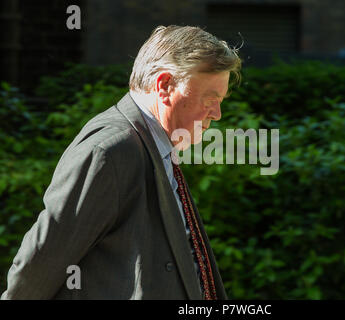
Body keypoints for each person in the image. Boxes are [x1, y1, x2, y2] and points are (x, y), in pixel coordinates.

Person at [1, 25, 241, 300]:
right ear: (164, 86)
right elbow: (43, 261)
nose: (218, 114)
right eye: (210, 99)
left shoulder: (152, 144)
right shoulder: (110, 150)